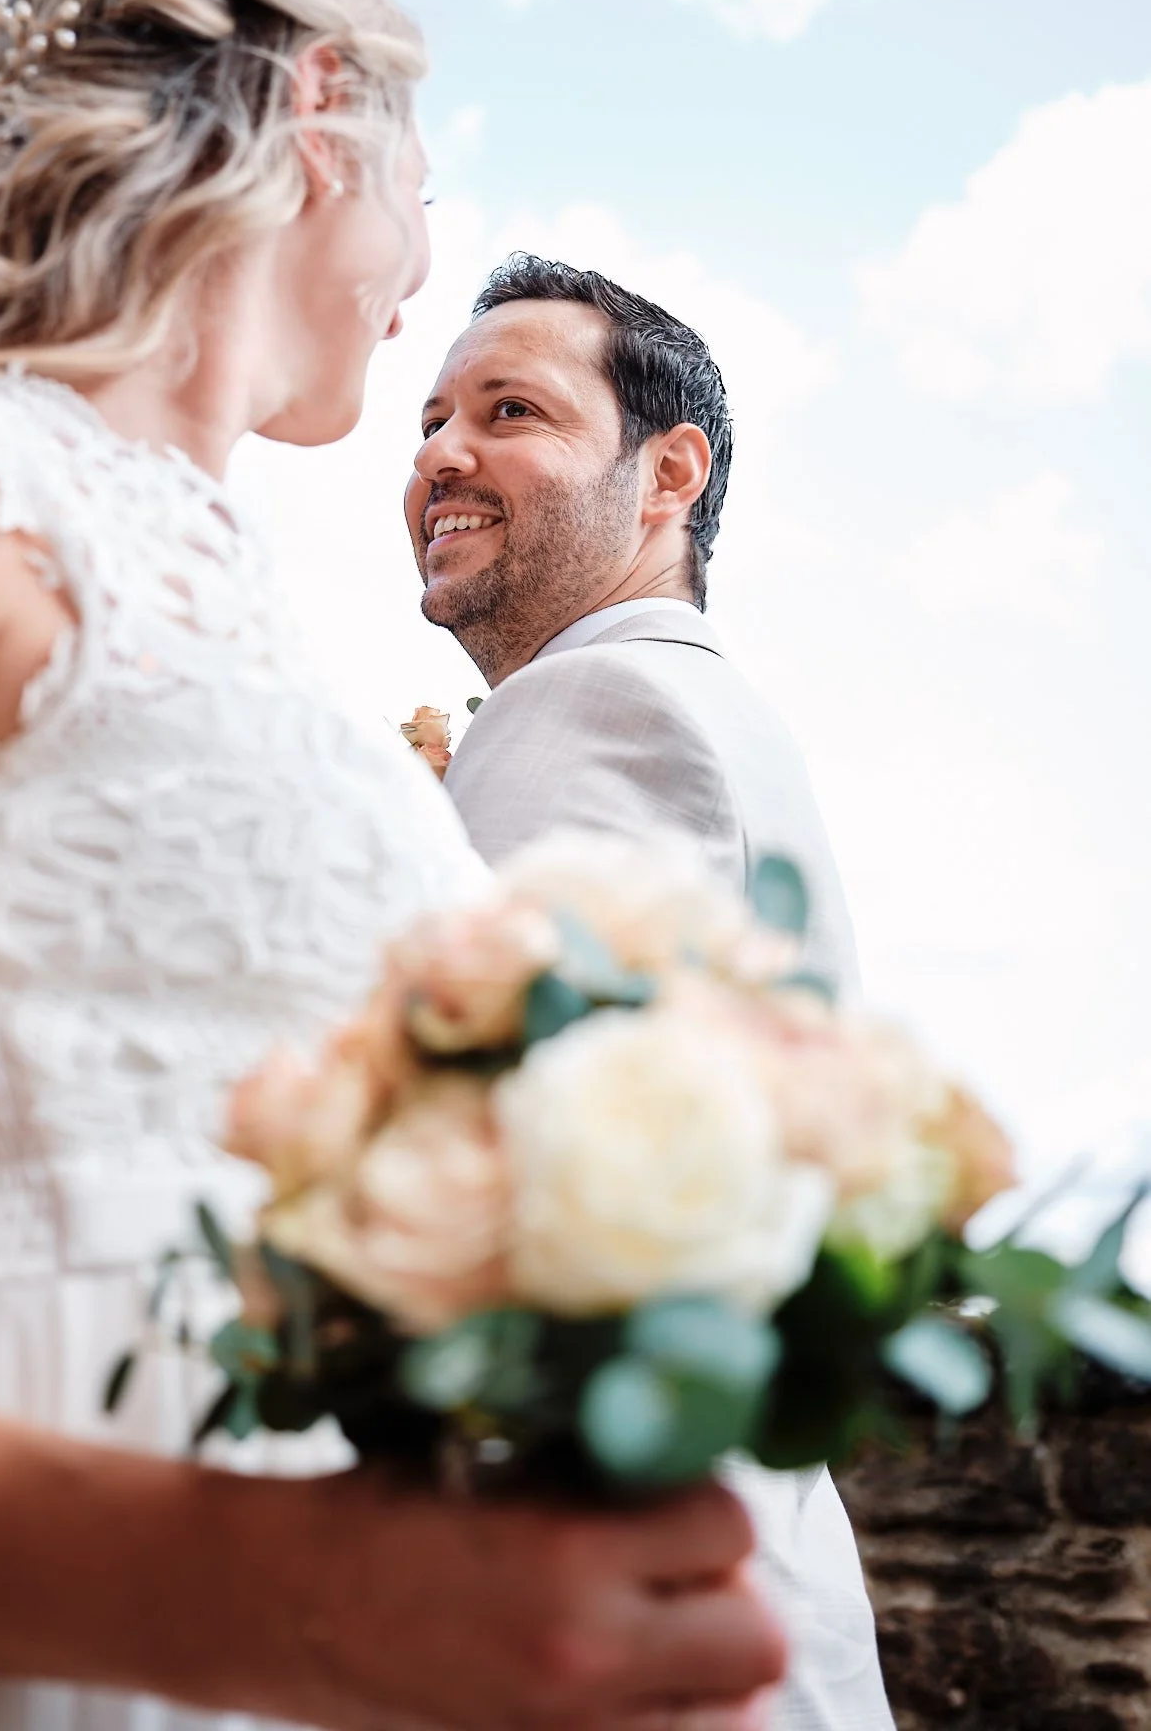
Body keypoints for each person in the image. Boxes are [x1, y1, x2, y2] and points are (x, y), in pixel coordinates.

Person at [0, 0, 786, 1729]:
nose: (427, 252)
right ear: (328, 109)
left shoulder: (270, 635)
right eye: (425, 179)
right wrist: (286, 1595)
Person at [405, 255, 894, 1730]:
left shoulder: (599, 703)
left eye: (510, 410)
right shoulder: (697, 708)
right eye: (427, 418)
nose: (439, 453)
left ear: (667, 470)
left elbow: (499, 1172)